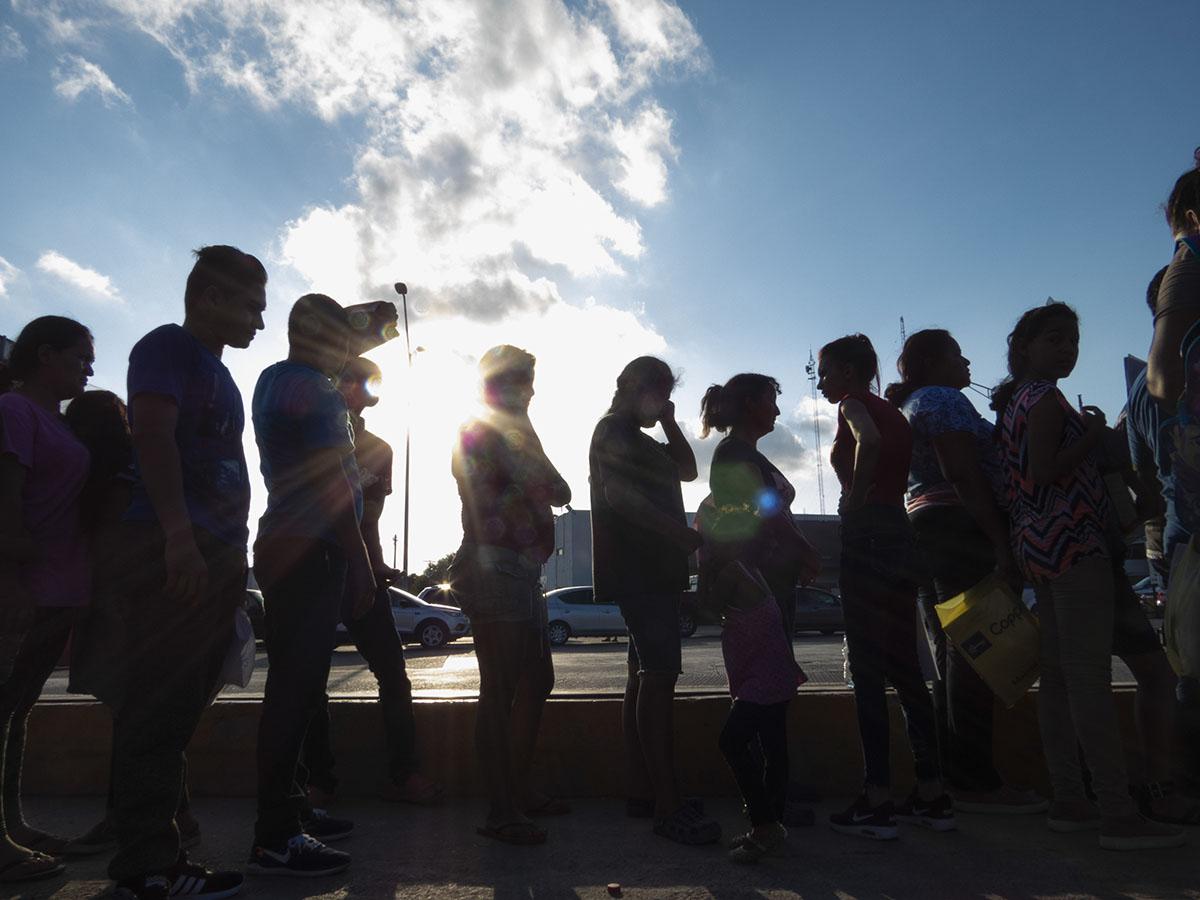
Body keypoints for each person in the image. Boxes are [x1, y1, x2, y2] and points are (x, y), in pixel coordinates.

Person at [101, 245, 265, 899]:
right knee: (157, 709)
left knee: (175, 711)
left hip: (217, 554)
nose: (259, 318)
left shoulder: (219, 374)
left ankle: (156, 847)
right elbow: (152, 436)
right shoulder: (167, 347)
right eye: (251, 304)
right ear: (211, 297)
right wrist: (177, 540)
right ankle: (146, 864)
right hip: (178, 547)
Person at [992, 301, 1183, 850]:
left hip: (1038, 548)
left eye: (1072, 341)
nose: (1067, 350)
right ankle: (1118, 811)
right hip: (1073, 545)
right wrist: (1093, 432)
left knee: (1058, 679)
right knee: (1086, 679)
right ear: (1024, 347)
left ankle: (1070, 799)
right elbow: (1045, 471)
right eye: (1054, 340)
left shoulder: (1015, 403)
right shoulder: (1044, 398)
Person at [884, 329, 1048, 815]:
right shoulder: (943, 400)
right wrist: (1000, 539)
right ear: (934, 362)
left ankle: (954, 775)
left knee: (956, 654)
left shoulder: (915, 404)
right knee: (976, 652)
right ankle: (976, 779)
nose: (967, 361)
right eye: (958, 353)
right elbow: (961, 470)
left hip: (929, 527)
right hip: (960, 525)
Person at [249, 294, 373, 876]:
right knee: (296, 691)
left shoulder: (275, 379)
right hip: (313, 547)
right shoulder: (320, 392)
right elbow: (335, 487)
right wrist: (362, 561)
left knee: (295, 686)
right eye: (342, 338)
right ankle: (276, 832)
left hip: (279, 540)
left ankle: (292, 810)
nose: (351, 349)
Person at [817, 334, 950, 840]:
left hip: (868, 529)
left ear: (849, 372)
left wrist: (856, 498)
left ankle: (877, 799)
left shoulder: (854, 404)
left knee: (869, 672)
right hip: (900, 530)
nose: (824, 381)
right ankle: (933, 793)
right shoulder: (895, 411)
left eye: (827, 372)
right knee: (907, 668)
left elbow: (867, 442)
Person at [63, 391, 203, 858]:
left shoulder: (107, 473)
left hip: (122, 606)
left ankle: (130, 819)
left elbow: (112, 543)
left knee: (135, 721)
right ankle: (174, 813)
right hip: (149, 602)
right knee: (152, 718)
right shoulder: (136, 466)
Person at [589, 356, 721, 845]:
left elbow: (687, 470)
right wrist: (680, 536)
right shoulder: (612, 432)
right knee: (659, 678)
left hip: (654, 573)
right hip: (640, 571)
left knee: (640, 679)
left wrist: (668, 422)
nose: (661, 398)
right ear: (627, 385)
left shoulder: (642, 438)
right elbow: (619, 496)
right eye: (656, 390)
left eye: (667, 392)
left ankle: (644, 791)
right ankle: (668, 805)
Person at [300, 356, 442, 808]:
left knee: (394, 675)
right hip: (311, 564)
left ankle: (404, 774)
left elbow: (372, 516)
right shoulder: (311, 430)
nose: (355, 389)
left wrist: (373, 565)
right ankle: (317, 782)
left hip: (360, 568)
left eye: (365, 382)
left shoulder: (379, 448)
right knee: (307, 678)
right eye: (347, 379)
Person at [449, 345, 570, 845]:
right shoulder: (477, 428)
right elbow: (497, 493)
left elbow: (557, 487)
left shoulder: (520, 428)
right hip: (492, 565)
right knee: (499, 688)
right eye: (522, 379)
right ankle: (501, 808)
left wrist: (537, 481)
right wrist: (534, 483)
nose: (531, 388)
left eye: (532, 379)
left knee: (537, 679)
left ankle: (517, 789)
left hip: (524, 572)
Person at [698, 373, 821, 829]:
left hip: (771, 583)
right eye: (771, 399)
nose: (776, 409)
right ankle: (767, 810)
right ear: (750, 403)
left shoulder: (745, 453)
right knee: (764, 699)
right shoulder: (734, 453)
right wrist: (805, 548)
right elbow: (766, 509)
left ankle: (772, 803)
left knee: (772, 704)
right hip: (759, 589)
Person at [0, 316, 93, 885]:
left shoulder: (57, 422)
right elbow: (6, 500)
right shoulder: (14, 411)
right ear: (44, 356)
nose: (88, 366)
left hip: (58, 591)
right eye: (80, 355)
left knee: (17, 712)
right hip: (22, 590)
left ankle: (13, 823)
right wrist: (9, 580)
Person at [1125, 269, 1200, 811]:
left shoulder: (1140, 391)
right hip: (1186, 538)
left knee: (1187, 670)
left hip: (1180, 539)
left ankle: (1183, 788)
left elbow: (1143, 483)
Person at [715, 562, 803, 863]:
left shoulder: (731, 572)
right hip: (775, 672)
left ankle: (765, 825)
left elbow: (703, 608)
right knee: (774, 749)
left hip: (761, 678)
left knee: (732, 742)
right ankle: (772, 826)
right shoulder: (752, 568)